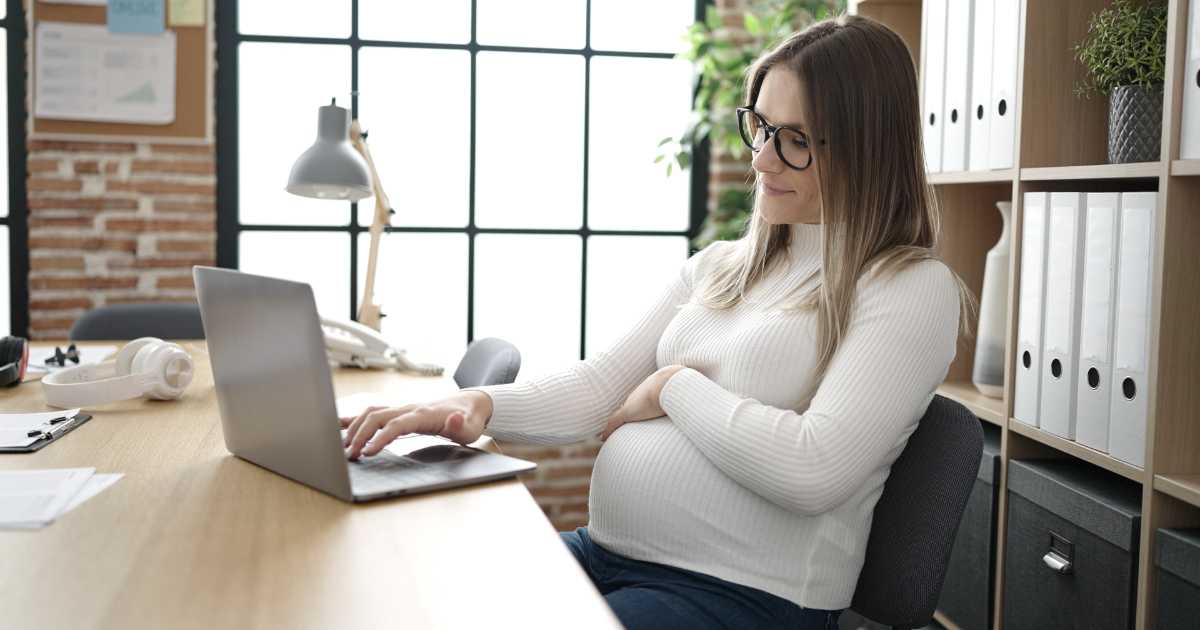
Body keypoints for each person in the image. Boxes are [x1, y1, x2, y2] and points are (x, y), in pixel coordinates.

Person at [340, 12, 975, 630]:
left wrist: (672, 387)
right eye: (760, 127)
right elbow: (598, 388)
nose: (762, 161)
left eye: (797, 140)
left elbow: (811, 470)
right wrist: (477, 404)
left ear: (870, 150)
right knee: (414, 591)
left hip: (745, 598)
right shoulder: (722, 266)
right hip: (605, 555)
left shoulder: (909, 288)